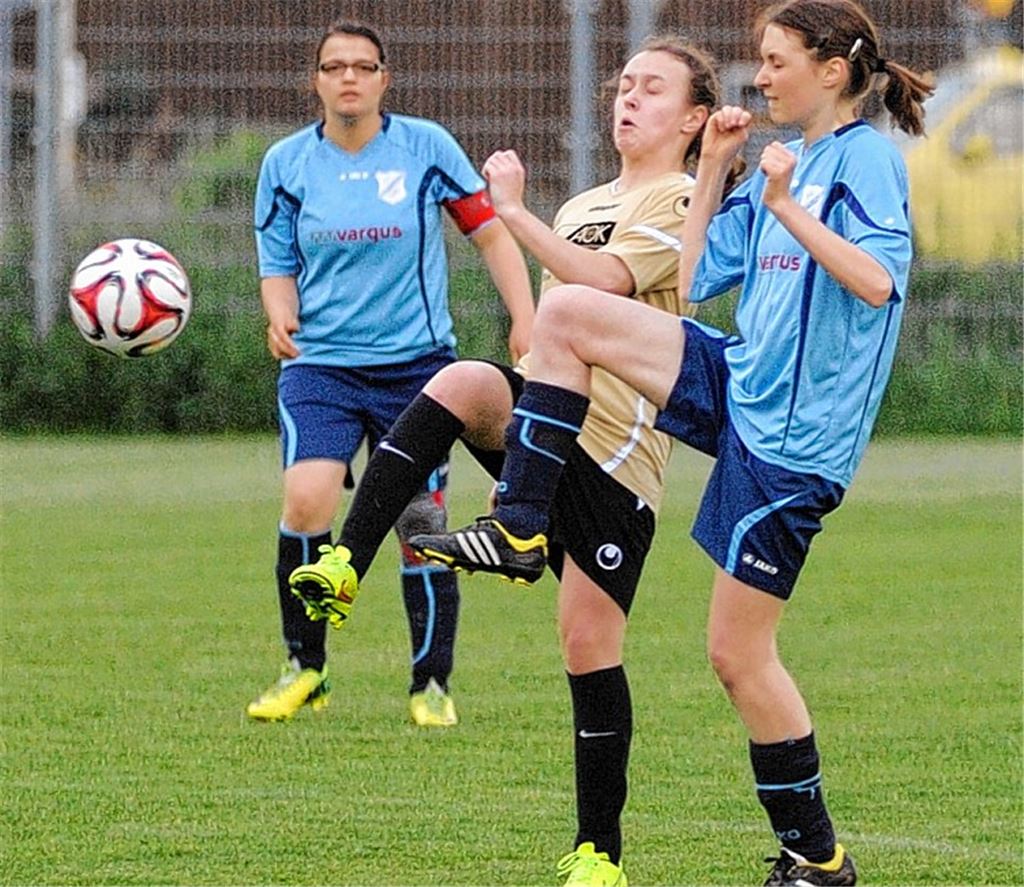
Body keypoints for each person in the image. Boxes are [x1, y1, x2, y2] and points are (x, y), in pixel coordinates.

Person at [409, 1, 934, 884]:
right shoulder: (786, 160)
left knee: (736, 655)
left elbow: (878, 281)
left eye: (774, 61)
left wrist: (781, 204)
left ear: (831, 70)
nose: (759, 78)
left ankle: (817, 856)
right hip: (743, 383)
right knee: (569, 315)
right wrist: (722, 167)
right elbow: (693, 280)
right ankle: (522, 522)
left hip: (795, 441)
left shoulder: (865, 161)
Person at [288, 36, 729, 886]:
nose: (627, 99)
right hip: (545, 449)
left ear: (696, 117)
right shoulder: (585, 201)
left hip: (617, 470)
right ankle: (347, 561)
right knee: (462, 380)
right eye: (623, 84)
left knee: (587, 648)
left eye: (653, 88)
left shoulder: (682, 200)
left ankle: (600, 851)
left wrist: (514, 215)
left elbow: (596, 283)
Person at [246, 20, 534, 726]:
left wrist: (528, 315)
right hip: (323, 369)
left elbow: (490, 231)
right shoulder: (286, 164)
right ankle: (304, 668)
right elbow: (276, 261)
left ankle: (430, 683)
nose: (348, 77)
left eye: (363, 66)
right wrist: (279, 312)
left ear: (384, 79)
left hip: (419, 371)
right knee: (307, 499)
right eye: (334, 66)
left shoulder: (424, 148)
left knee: (420, 521)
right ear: (315, 79)